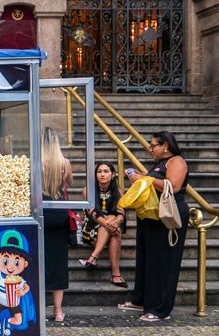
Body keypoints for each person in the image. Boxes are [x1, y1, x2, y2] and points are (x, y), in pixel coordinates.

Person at [118, 131, 190, 322]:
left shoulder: (176, 161)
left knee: (163, 261)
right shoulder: (159, 164)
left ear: (165, 146)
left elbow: (172, 186)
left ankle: (160, 309)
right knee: (146, 259)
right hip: (151, 214)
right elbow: (152, 181)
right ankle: (141, 299)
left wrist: (145, 179)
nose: (150, 149)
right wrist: (138, 175)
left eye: (153, 146)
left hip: (168, 215)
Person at [79, 161, 127, 288]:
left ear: (112, 175)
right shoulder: (87, 190)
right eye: (99, 171)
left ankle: (93, 257)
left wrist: (116, 222)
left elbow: (121, 214)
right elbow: (92, 214)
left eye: (106, 171)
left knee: (115, 230)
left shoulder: (119, 192)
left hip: (111, 227)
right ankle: (116, 274)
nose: (102, 174)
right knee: (114, 229)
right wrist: (109, 223)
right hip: (91, 229)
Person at [42, 126, 73, 322]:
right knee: (59, 263)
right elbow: (69, 182)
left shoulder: (37, 162)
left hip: (42, 213)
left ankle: (39, 309)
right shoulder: (64, 163)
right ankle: (58, 311)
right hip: (60, 213)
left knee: (40, 261)